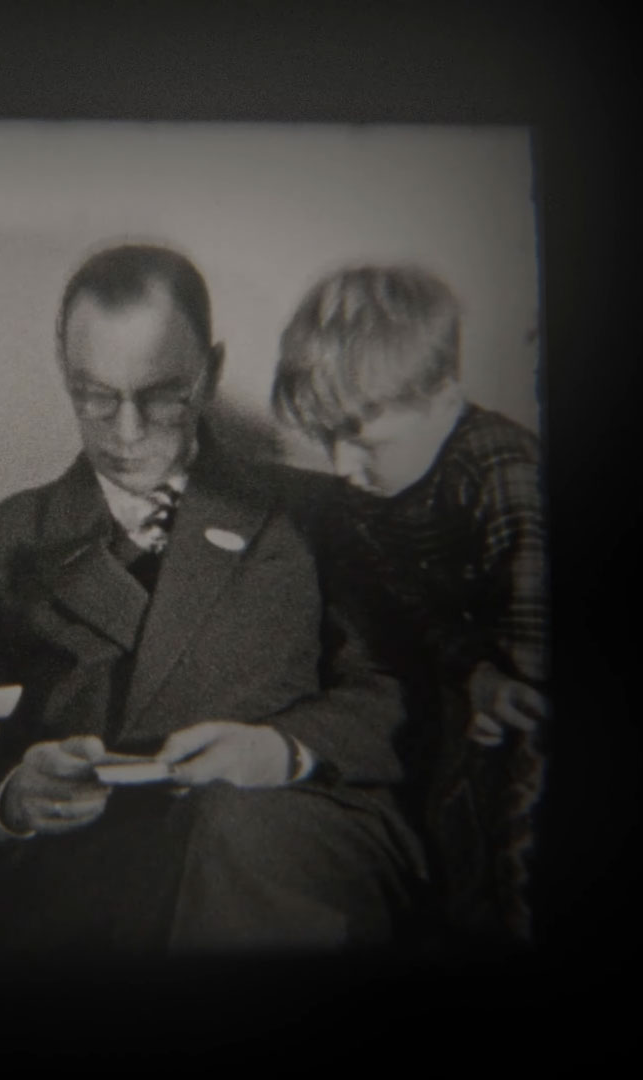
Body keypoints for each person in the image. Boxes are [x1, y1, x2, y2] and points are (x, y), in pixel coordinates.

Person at [0, 244, 421, 954]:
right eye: (94, 396)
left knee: (227, 829)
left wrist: (281, 749)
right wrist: (14, 798)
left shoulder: (316, 515)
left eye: (162, 394)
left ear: (212, 372)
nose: (125, 432)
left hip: (288, 847)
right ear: (64, 376)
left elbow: (393, 695)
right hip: (93, 879)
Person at [271, 265, 549, 943]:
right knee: (459, 850)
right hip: (463, 684)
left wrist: (509, 685)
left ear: (445, 395)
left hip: (533, 686)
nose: (340, 468)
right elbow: (409, 610)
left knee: (520, 849)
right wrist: (474, 677)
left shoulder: (501, 469)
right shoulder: (365, 492)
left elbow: (535, 620)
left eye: (364, 442)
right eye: (326, 441)